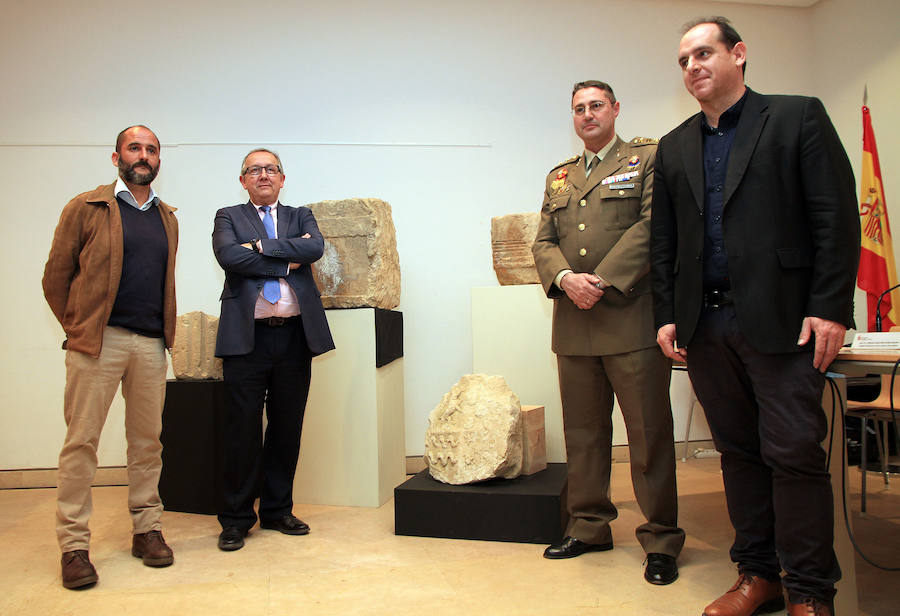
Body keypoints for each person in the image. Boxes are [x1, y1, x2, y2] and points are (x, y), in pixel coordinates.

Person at [650, 17, 859, 616]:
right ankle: (758, 576)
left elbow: (835, 219)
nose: (692, 66)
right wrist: (667, 315)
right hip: (707, 328)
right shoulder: (675, 145)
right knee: (739, 456)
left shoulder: (796, 117)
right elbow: (666, 243)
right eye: (684, 59)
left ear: (738, 54)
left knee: (792, 454)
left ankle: (811, 592)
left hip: (784, 323)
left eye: (704, 52)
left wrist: (829, 307)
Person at [532, 81, 685, 585]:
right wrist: (564, 279)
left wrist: (601, 279)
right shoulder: (560, 177)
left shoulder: (646, 160)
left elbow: (651, 225)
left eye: (596, 105)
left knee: (648, 437)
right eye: (579, 108)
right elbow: (544, 241)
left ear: (615, 109)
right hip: (574, 325)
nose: (587, 114)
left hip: (631, 320)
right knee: (585, 436)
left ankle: (661, 538)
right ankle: (590, 526)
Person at [43, 125, 178, 589]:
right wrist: (78, 328)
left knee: (147, 442)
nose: (143, 155)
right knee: (81, 444)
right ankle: (74, 546)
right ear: (116, 156)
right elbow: (55, 278)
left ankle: (147, 530)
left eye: (151, 149)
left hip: (150, 346)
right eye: (134, 148)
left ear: (159, 159)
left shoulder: (167, 217)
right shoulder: (86, 207)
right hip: (97, 344)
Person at [212, 148, 335, 551]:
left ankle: (278, 510)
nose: (263, 175)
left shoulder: (302, 215)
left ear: (282, 179)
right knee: (241, 431)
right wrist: (285, 258)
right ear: (243, 180)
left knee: (286, 429)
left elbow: (314, 248)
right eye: (254, 170)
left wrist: (259, 248)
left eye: (271, 169)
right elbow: (229, 255)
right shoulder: (227, 215)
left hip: (294, 337)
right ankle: (236, 518)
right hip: (247, 339)